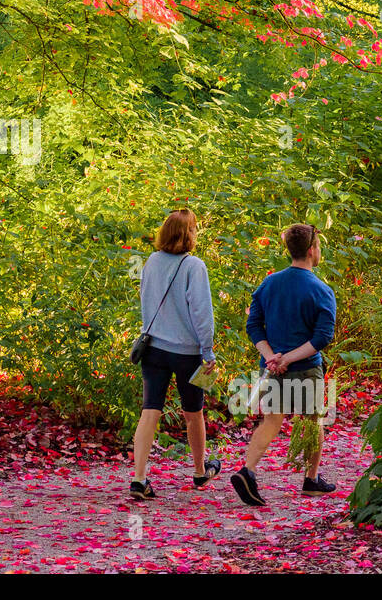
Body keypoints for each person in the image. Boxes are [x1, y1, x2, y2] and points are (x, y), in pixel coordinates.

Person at [231, 223, 337, 506]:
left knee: (272, 421)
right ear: (313, 251)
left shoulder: (269, 283)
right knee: (313, 422)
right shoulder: (321, 290)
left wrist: (271, 356)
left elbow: (253, 325)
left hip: (272, 366)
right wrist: (289, 357)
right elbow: (322, 337)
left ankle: (248, 470)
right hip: (305, 367)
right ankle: (311, 479)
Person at [131, 208, 221, 501]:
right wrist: (207, 352)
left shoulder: (152, 261)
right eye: (194, 229)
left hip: (154, 348)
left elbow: (145, 299)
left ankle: (140, 479)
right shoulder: (194, 266)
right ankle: (198, 470)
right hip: (188, 353)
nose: (196, 233)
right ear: (187, 234)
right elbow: (202, 313)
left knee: (149, 412)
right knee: (193, 414)